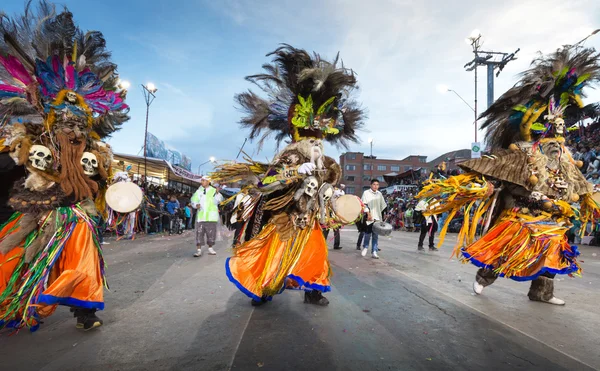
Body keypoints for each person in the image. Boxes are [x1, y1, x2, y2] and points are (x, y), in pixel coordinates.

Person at [417, 45, 600, 305]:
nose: (559, 140)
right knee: (506, 250)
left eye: (561, 135)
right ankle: (484, 277)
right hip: (522, 216)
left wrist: (577, 199)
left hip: (553, 218)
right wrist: (539, 199)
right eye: (553, 134)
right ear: (540, 133)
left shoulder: (566, 160)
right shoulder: (523, 154)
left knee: (550, 256)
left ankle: (542, 293)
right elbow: (513, 185)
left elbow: (578, 187)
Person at [0, 1, 129, 331]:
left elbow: (108, 185)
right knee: (13, 256)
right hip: (37, 213)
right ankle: (15, 302)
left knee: (84, 253)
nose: (72, 130)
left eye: (78, 124)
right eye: (65, 123)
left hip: (79, 213)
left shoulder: (95, 153)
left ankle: (84, 311)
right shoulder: (30, 143)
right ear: (50, 123)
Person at [212, 45, 365, 307]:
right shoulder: (290, 156)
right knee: (273, 258)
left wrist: (333, 196)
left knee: (315, 257)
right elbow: (266, 184)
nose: (316, 145)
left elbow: (328, 189)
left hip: (311, 222)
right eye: (311, 140)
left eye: (318, 142)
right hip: (284, 220)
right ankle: (264, 290)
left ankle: (313, 291)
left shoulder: (327, 165)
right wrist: (294, 172)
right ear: (299, 138)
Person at [191, 177, 223, 257]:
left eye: (203, 180)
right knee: (199, 233)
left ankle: (210, 248)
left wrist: (217, 193)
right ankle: (198, 250)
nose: (201, 182)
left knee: (211, 234)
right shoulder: (199, 191)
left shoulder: (214, 190)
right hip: (201, 217)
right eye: (201, 180)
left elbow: (219, 201)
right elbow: (193, 200)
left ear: (208, 181)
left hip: (211, 217)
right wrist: (195, 205)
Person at [360, 179, 387, 259]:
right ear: (371, 185)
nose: (376, 186)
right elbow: (364, 204)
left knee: (375, 235)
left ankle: (374, 251)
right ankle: (365, 247)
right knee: (368, 233)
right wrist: (368, 213)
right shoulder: (366, 193)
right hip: (369, 216)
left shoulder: (379, 194)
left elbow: (383, 205)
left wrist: (385, 214)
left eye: (377, 185)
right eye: (374, 184)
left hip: (378, 217)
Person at [323, 184, 345, 249]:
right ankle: (322, 244)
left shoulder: (340, 191)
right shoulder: (327, 190)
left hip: (335, 212)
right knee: (326, 229)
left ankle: (336, 245)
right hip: (328, 211)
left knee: (336, 230)